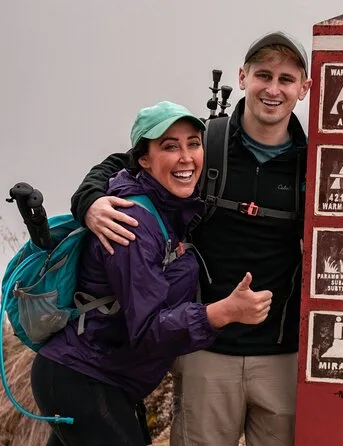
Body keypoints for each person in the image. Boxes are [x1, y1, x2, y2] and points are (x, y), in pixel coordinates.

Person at [69, 31, 312, 446]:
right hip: (205, 353)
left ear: (304, 88)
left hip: (283, 355)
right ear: (243, 77)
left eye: (286, 79)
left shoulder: (316, 161)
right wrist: (89, 201)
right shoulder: (204, 145)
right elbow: (125, 162)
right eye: (263, 75)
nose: (273, 89)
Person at [31, 101, 273, 446]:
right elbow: (146, 330)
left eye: (193, 143)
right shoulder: (131, 224)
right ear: (143, 159)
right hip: (82, 376)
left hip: (102, 377)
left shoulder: (171, 206)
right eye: (170, 147)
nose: (186, 157)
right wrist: (222, 312)